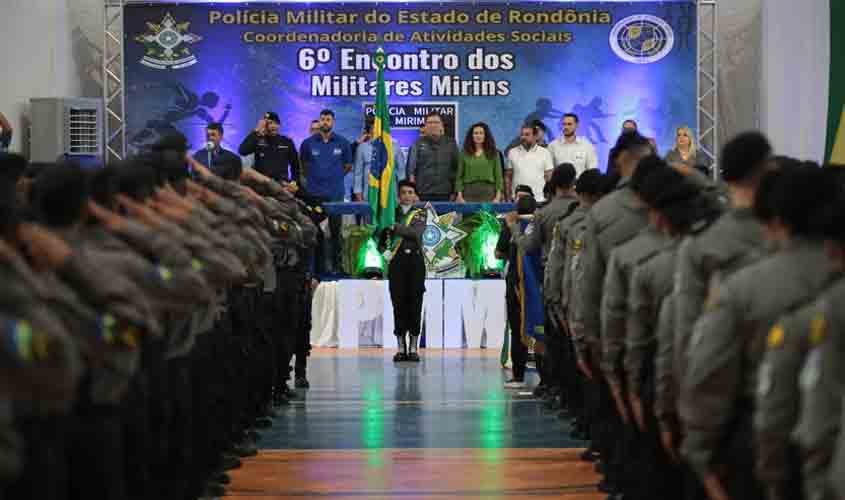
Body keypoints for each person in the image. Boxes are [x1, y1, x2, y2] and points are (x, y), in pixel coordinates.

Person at [681, 165, 841, 500]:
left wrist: (701, 453)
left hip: (770, 447)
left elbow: (708, 372)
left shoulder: (743, 287)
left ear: (774, 218)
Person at [507, 163, 579, 398]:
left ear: (554, 184)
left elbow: (528, 246)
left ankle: (554, 384)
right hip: (585, 280)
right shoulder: (588, 210)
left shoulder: (544, 213)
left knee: (554, 334)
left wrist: (513, 228)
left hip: (555, 280)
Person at [300, 109, 352, 274]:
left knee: (336, 233)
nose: (325, 122)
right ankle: (316, 269)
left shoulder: (343, 143)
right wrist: (317, 180)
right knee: (315, 233)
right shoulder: (308, 143)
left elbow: (347, 166)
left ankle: (337, 267)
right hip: (314, 195)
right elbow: (304, 167)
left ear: (333, 122)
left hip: (335, 195)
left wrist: (333, 178)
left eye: (328, 119)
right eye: (322, 119)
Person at [496, 185, 537, 387]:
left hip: (517, 284)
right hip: (539, 285)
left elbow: (498, 253)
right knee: (542, 328)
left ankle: (518, 376)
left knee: (517, 328)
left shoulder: (511, 225)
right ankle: (548, 379)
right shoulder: (542, 225)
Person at [386, 180, 427, 362]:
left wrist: (395, 227)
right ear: (399, 195)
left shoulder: (420, 213)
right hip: (397, 262)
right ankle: (400, 346)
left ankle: (413, 347)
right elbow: (381, 235)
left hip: (415, 263)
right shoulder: (389, 212)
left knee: (415, 303)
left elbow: (415, 234)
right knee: (398, 303)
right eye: (404, 192)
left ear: (415, 195)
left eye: (411, 192)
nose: (407, 195)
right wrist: (384, 249)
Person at [407, 111, 459, 201]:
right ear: (425, 126)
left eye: (436, 122)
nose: (433, 125)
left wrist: (456, 192)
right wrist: (413, 193)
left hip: (446, 194)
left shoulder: (451, 143)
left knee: (446, 216)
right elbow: (411, 171)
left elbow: (457, 169)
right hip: (422, 194)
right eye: (430, 122)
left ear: (441, 125)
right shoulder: (417, 144)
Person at [352, 116, 406, 202]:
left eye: (380, 128)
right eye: (374, 128)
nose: (377, 130)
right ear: (369, 131)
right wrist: (358, 194)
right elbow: (358, 174)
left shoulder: (395, 147)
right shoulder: (362, 148)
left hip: (391, 196)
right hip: (369, 196)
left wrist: (403, 193)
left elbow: (401, 173)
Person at [238, 111, 300, 183]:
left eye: (275, 123)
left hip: (281, 183)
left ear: (279, 125)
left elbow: (295, 165)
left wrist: (294, 182)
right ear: (264, 125)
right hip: (262, 183)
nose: (273, 126)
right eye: (269, 123)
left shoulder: (287, 142)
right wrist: (256, 131)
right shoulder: (257, 139)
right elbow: (242, 151)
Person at [455, 122, 503, 203]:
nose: (478, 135)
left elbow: (498, 176)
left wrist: (498, 197)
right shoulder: (464, 154)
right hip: (468, 193)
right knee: (470, 216)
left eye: (481, 133)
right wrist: (459, 195)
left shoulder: (494, 153)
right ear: (471, 136)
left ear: (485, 136)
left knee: (486, 216)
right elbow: (459, 177)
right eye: (475, 133)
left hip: (488, 193)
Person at [505, 124, 554, 202]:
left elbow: (549, 177)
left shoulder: (545, 152)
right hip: (517, 199)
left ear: (535, 136)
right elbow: (508, 177)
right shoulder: (512, 152)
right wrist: (508, 198)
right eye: (522, 135)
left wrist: (549, 198)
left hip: (539, 199)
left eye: (527, 135)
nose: (523, 137)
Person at [547, 113, 599, 178]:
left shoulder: (586, 145)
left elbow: (592, 169)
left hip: (581, 186)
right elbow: (549, 170)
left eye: (569, 124)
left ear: (577, 125)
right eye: (564, 124)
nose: (566, 127)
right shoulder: (552, 146)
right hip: (559, 186)